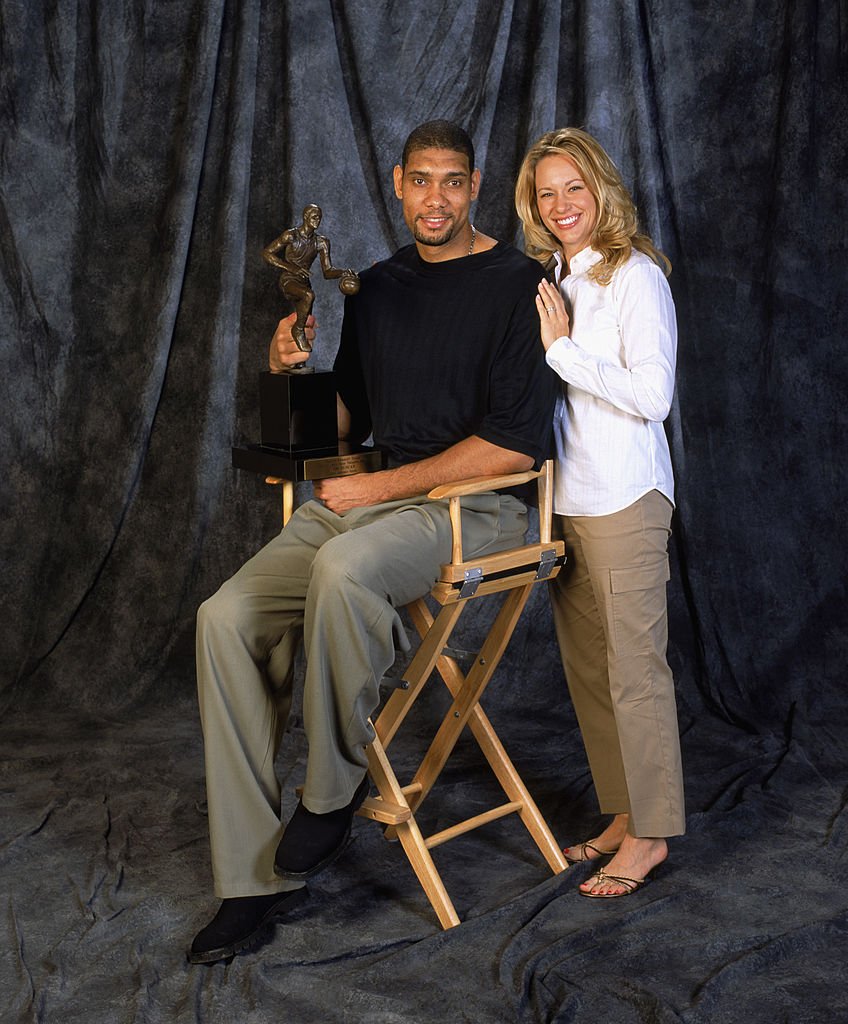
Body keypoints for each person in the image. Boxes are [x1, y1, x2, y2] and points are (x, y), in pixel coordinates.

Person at [188, 120, 556, 963]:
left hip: (477, 504)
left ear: (475, 187)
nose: (436, 198)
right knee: (223, 619)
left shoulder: (517, 283)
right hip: (378, 494)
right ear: (396, 183)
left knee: (347, 568)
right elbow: (351, 416)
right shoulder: (380, 287)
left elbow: (515, 443)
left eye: (453, 182)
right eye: (421, 181)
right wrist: (290, 372)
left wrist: (380, 487)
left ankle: (333, 785)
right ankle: (250, 882)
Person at [514, 127, 685, 898]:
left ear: (600, 190)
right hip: (570, 503)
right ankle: (621, 813)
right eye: (545, 193)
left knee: (634, 676)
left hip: (625, 502)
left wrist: (561, 351)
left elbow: (653, 397)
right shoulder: (555, 278)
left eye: (572, 188)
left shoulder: (634, 276)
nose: (560, 205)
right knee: (590, 676)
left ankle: (650, 836)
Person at [261, 204, 357, 351]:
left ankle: (299, 362)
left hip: (304, 282)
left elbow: (327, 271)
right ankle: (297, 330)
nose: (317, 220)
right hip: (289, 279)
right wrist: (290, 267)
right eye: (314, 217)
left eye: (319, 217)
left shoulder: (321, 242)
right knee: (308, 296)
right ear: (305, 217)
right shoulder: (291, 236)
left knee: (307, 326)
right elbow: (267, 253)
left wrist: (342, 272)